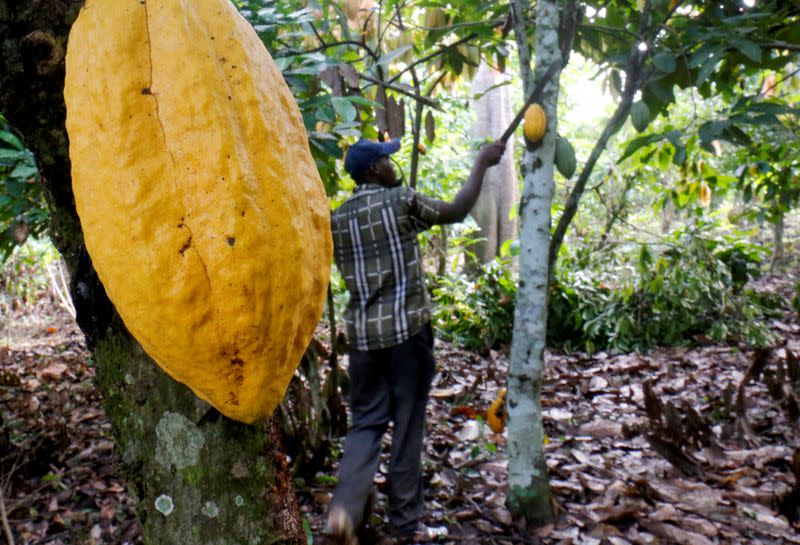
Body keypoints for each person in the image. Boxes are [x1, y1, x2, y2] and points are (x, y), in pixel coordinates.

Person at [326, 137, 506, 545]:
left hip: (363, 342)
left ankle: (343, 511)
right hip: (408, 335)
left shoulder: (337, 219)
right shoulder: (400, 201)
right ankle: (404, 523)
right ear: (374, 170)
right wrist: (482, 162)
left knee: (366, 424)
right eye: (387, 161)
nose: (393, 166)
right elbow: (458, 210)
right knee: (408, 425)